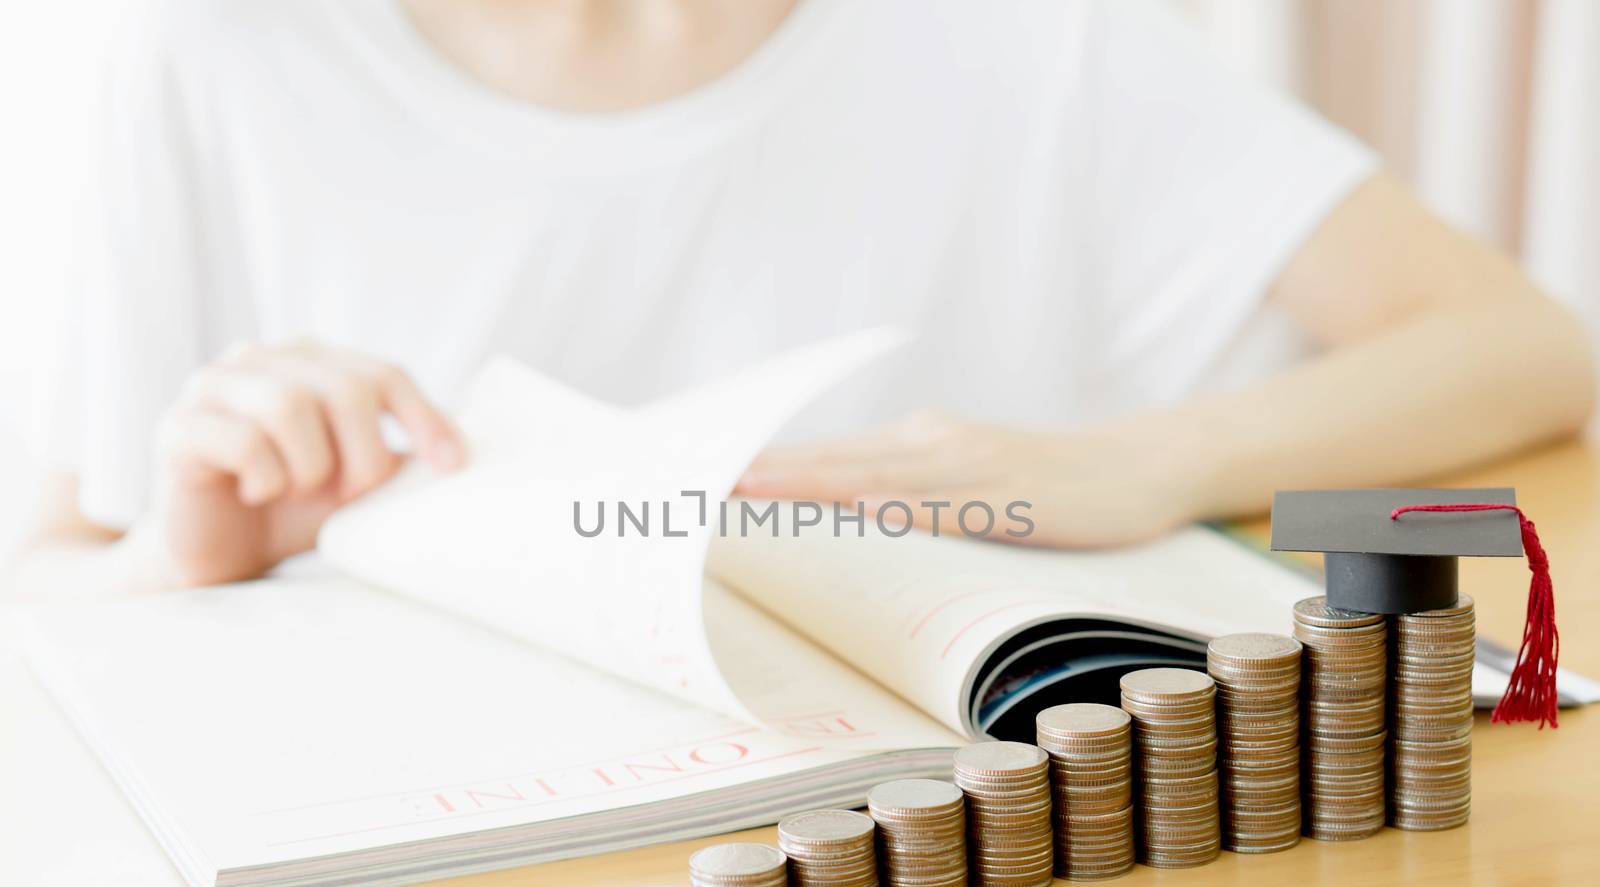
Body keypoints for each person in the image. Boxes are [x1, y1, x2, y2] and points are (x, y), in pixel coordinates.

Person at [12, 0, 1594, 596]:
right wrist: (185, 551)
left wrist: (1144, 460)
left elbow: (1524, 344)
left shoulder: (1022, 43)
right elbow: (69, 599)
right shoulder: (213, 54)